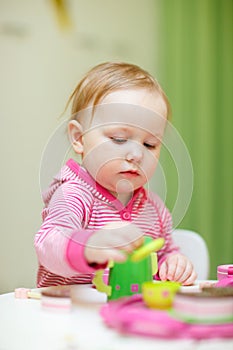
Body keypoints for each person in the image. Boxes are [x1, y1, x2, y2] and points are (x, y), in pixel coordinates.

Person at [35, 61, 197, 288]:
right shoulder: (73, 195)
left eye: (150, 144)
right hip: (69, 315)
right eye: (119, 139)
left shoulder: (155, 209)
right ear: (79, 139)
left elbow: (164, 253)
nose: (136, 154)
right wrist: (89, 247)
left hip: (126, 314)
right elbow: (49, 245)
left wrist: (173, 263)